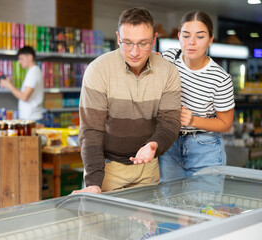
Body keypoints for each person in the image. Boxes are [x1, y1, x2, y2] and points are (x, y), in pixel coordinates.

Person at [72, 7, 181, 194]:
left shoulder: (168, 72)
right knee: (104, 222)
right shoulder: (98, 70)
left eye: (143, 43)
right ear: (117, 38)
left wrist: (153, 145)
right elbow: (91, 130)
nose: (135, 52)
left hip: (148, 168)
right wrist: (94, 182)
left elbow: (170, 121)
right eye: (127, 43)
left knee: (147, 222)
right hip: (108, 170)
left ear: (154, 40)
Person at [158, 10, 235, 182]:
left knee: (203, 207)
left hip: (205, 147)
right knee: (170, 204)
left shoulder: (221, 78)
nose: (191, 42)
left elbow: (226, 124)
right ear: (178, 37)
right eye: (186, 36)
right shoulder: (168, 58)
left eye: (200, 37)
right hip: (169, 143)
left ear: (210, 39)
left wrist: (192, 120)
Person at [0, 46, 44, 122]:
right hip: (30, 118)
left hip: (32, 119)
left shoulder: (34, 72)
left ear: (30, 57)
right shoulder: (32, 71)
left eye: (21, 58)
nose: (19, 62)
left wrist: (9, 86)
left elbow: (24, 97)